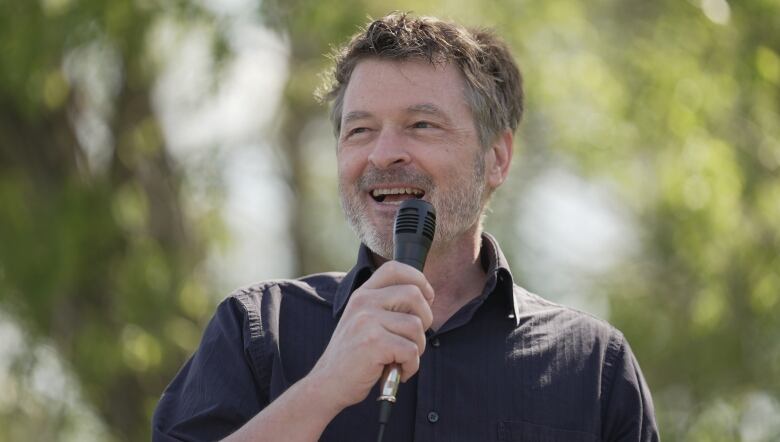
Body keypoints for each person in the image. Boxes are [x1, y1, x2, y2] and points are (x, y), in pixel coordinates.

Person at [152, 12, 658, 442]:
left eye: (421, 125)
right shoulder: (257, 330)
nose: (383, 153)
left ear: (497, 158)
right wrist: (324, 387)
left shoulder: (594, 366)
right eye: (360, 130)